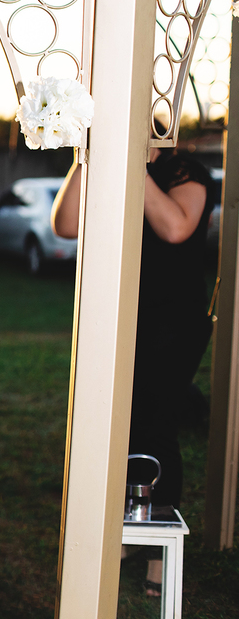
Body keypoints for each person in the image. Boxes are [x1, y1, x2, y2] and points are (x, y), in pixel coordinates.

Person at [51, 132, 212, 596]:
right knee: (119, 427)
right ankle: (125, 530)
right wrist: (85, 155)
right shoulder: (102, 164)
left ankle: (159, 553)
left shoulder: (185, 172)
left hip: (174, 321)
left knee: (156, 426)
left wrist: (135, 163)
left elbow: (176, 228)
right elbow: (65, 224)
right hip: (120, 317)